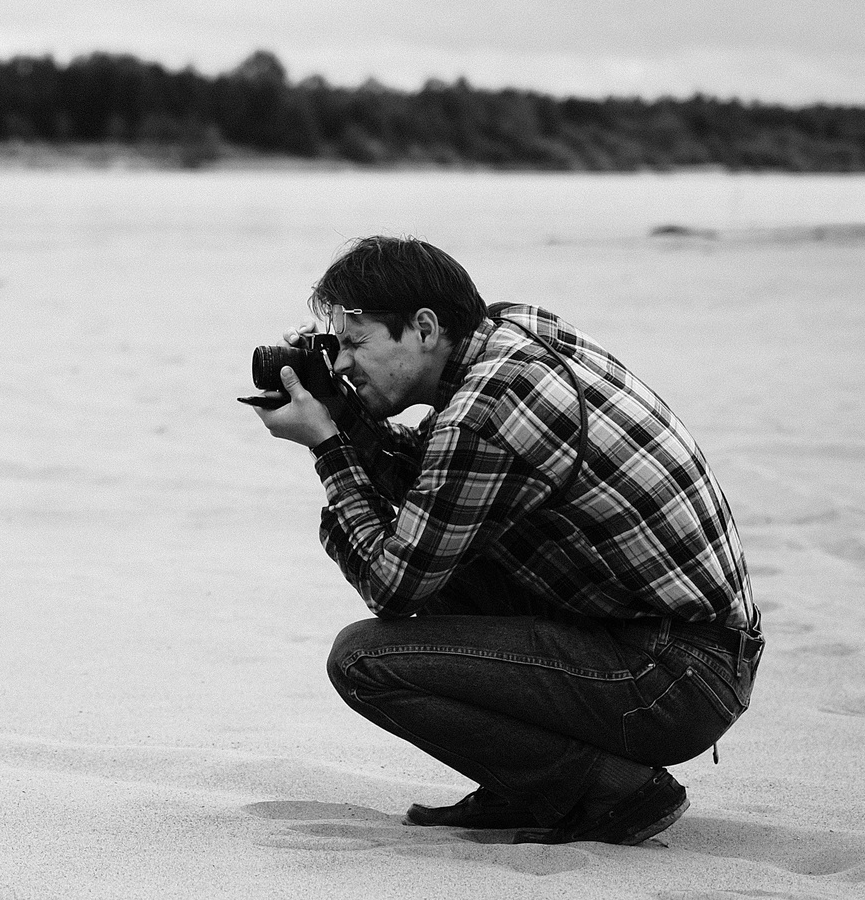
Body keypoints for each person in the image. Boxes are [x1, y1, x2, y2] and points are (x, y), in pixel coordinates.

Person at [248, 236, 761, 846]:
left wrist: (329, 448)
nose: (343, 365)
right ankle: (529, 785)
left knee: (363, 661)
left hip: (674, 682)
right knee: (444, 552)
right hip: (680, 650)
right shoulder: (512, 333)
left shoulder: (485, 410)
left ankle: (607, 792)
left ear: (425, 328)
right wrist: (344, 413)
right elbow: (440, 486)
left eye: (356, 344)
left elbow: (390, 587)